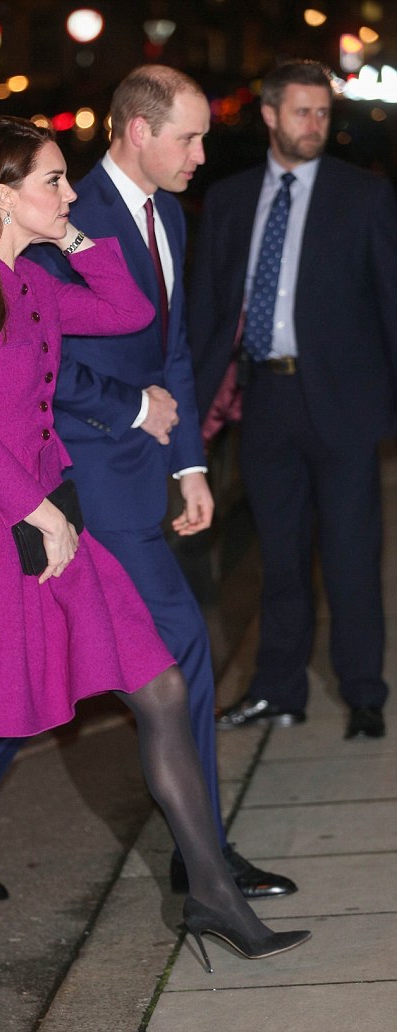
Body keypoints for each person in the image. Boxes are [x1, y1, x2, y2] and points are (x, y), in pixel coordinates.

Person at [0, 115, 310, 1001]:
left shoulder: (37, 282)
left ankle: (210, 893)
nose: (70, 195)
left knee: (160, 687)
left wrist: (76, 233)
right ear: (1, 195)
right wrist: (40, 516)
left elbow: (131, 308)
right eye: (53, 183)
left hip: (53, 523)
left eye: (65, 181)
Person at [0, 65, 297, 905]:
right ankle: (204, 864)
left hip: (138, 471)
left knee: (51, 659)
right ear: (136, 130)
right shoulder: (55, 212)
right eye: (188, 137)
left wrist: (189, 460)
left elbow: (168, 344)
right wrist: (133, 412)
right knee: (179, 652)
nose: (202, 152)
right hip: (76, 481)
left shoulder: (169, 219)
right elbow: (44, 367)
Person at [188, 59, 397, 738]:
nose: (315, 125)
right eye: (302, 112)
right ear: (270, 115)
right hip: (265, 402)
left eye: (323, 114)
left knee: (351, 555)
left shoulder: (364, 197)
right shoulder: (228, 200)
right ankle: (279, 690)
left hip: (345, 406)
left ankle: (365, 692)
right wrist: (191, 399)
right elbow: (207, 311)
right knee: (279, 557)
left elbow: (393, 305)